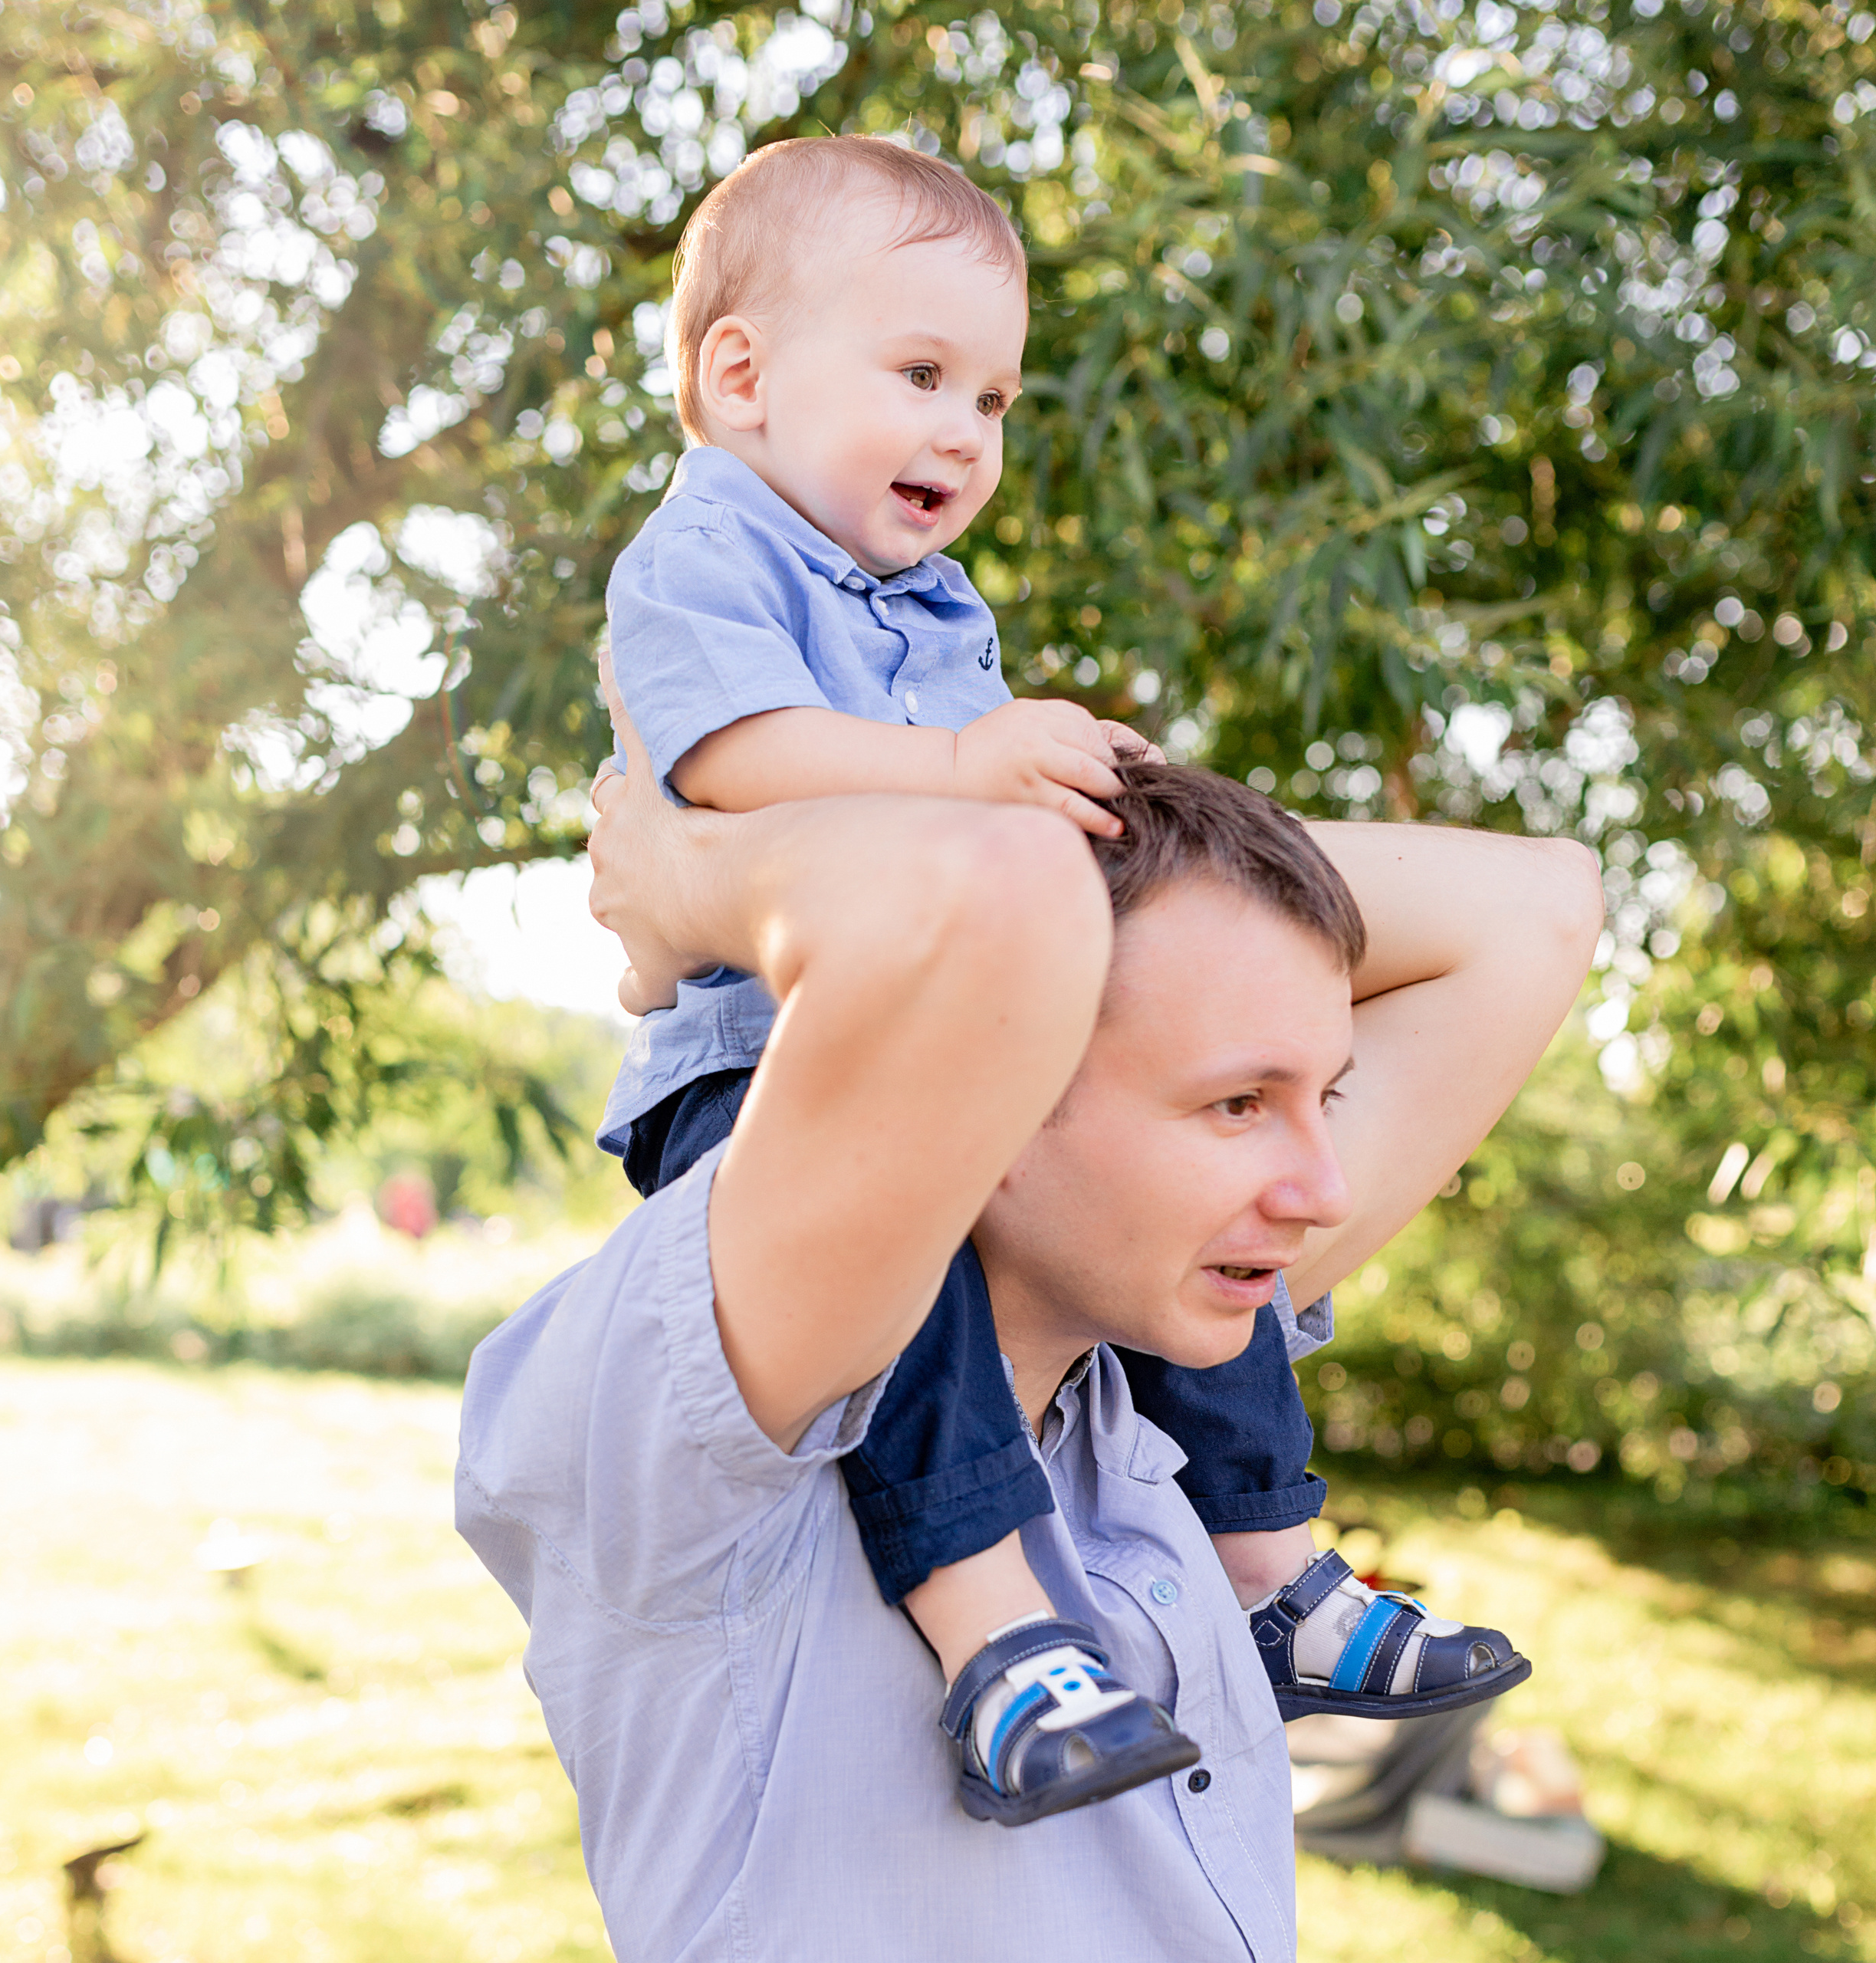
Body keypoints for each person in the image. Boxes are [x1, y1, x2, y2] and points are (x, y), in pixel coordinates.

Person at [581, 133, 1532, 1827]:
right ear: (738, 378)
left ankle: (1273, 1558)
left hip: (945, 1036)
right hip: (763, 1076)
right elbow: (731, 760)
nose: (965, 429)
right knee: (918, 1296)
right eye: (923, 372)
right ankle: (992, 1630)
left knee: (1203, 1200)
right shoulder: (704, 553)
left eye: (997, 400)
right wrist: (967, 767)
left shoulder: (928, 598)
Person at [456, 686, 1601, 1956]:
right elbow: (983, 894)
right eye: (1237, 1104)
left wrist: (1163, 846)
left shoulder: (1149, 1377)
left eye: (1324, 1093)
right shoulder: (727, 1433)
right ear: (992, 1090)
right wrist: (692, 875)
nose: (1321, 1188)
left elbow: (1540, 908)